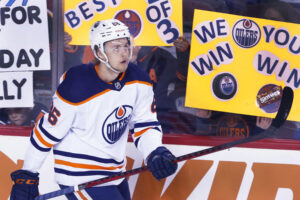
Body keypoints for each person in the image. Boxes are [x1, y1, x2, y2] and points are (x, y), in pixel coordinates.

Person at [9, 19, 178, 200]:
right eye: (116, 47)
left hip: (114, 172)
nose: (124, 53)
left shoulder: (140, 81)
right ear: (98, 51)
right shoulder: (76, 83)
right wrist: (28, 174)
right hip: (79, 173)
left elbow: (145, 125)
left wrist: (155, 152)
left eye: (126, 46)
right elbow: (47, 132)